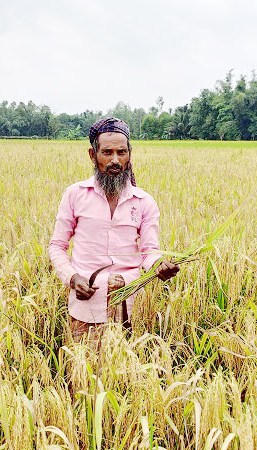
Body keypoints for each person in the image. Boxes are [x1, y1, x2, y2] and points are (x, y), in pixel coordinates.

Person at [49, 117, 179, 341]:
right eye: (107, 152)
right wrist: (72, 278)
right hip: (85, 304)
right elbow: (57, 246)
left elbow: (149, 251)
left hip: (129, 305)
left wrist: (159, 265)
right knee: (83, 369)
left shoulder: (144, 201)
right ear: (93, 155)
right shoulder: (75, 194)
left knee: (126, 370)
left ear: (130, 155)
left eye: (121, 152)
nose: (115, 160)